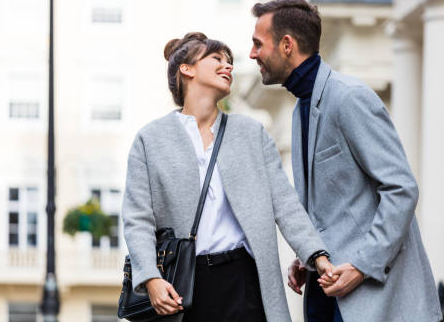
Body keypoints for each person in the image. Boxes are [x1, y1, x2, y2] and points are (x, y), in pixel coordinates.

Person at [249, 0, 443, 322]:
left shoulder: (349, 97)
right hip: (328, 293)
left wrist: (362, 265)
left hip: (373, 296)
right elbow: (332, 207)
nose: (253, 54)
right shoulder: (301, 109)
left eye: (258, 44)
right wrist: (308, 255)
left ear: (286, 45)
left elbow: (401, 189)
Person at [122, 32, 335, 322]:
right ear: (187, 69)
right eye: (216, 59)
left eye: (230, 61)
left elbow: (285, 204)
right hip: (182, 285)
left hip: (244, 280)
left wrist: (317, 256)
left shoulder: (252, 133)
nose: (228, 66)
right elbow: (137, 218)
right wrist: (150, 278)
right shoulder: (151, 139)